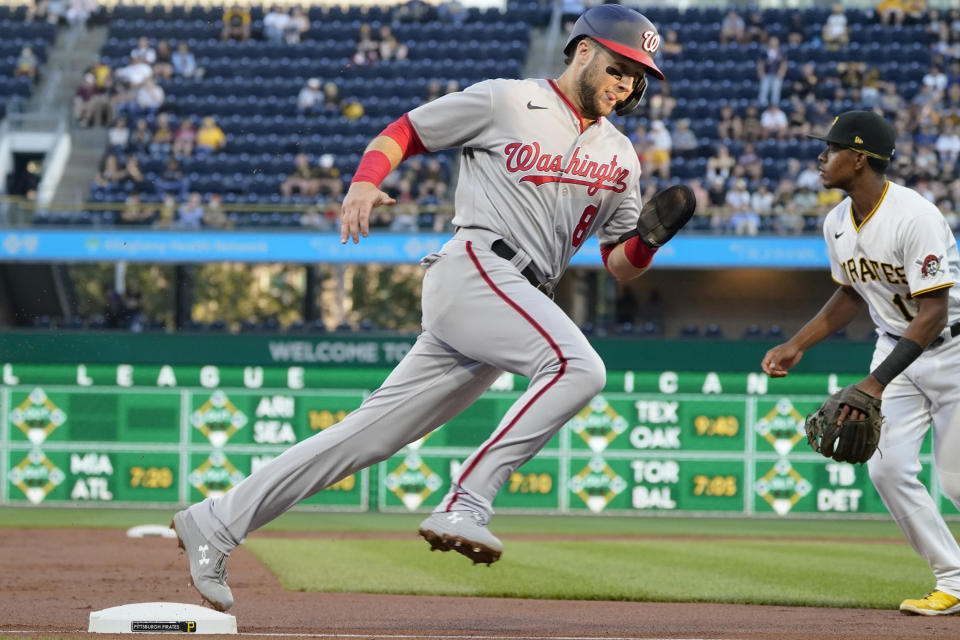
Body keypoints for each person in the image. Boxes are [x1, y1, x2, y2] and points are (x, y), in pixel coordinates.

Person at [170, 5, 692, 612]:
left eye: (637, 75)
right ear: (582, 50)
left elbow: (618, 263)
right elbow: (406, 130)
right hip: (478, 267)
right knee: (580, 368)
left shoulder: (621, 155)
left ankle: (216, 521)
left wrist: (648, 243)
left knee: (362, 439)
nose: (627, 83)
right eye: (620, 65)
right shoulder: (506, 100)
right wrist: (364, 180)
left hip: (515, 298)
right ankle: (467, 500)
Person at [761, 110, 960, 616]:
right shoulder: (836, 222)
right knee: (888, 470)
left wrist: (873, 383)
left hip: (952, 349)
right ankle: (954, 579)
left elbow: (933, 312)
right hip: (895, 346)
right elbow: (852, 294)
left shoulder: (914, 216)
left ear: (860, 157)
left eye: (830, 149)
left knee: (956, 481)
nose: (821, 158)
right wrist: (798, 344)